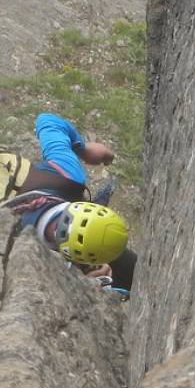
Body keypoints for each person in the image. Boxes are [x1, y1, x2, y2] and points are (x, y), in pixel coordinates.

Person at [9, 113, 138, 295]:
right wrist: (81, 285)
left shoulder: (66, 174)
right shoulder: (25, 255)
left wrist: (84, 149)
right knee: (127, 264)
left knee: (124, 261)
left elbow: (47, 121)